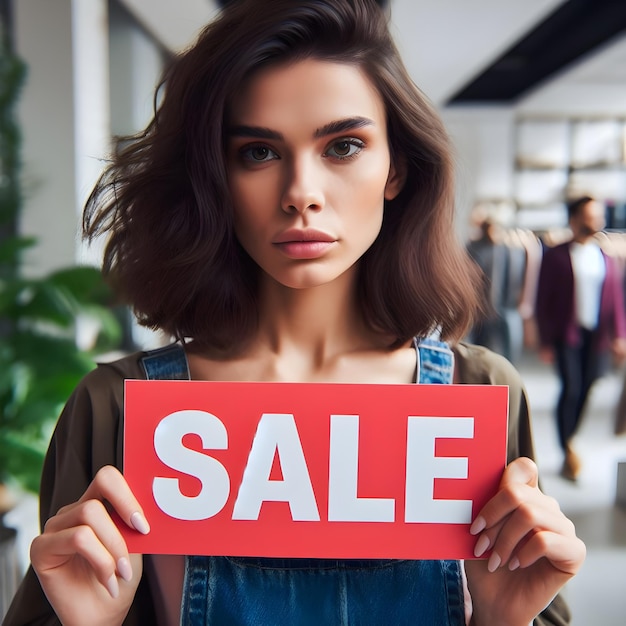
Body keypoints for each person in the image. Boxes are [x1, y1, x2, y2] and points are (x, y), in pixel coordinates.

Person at [5, 1, 585, 624]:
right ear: (214, 177)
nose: (300, 193)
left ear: (397, 168)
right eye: (258, 152)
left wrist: (504, 620)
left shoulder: (478, 393)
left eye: (344, 145)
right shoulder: (116, 408)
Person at [535, 195, 626, 481]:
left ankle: (570, 440)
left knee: (588, 387)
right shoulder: (556, 256)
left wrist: (620, 335)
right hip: (566, 335)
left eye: (598, 215)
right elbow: (542, 299)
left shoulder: (607, 257)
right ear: (574, 219)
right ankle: (567, 448)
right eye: (589, 215)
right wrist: (545, 341)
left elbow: (616, 300)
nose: (595, 221)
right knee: (571, 388)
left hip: (597, 337)